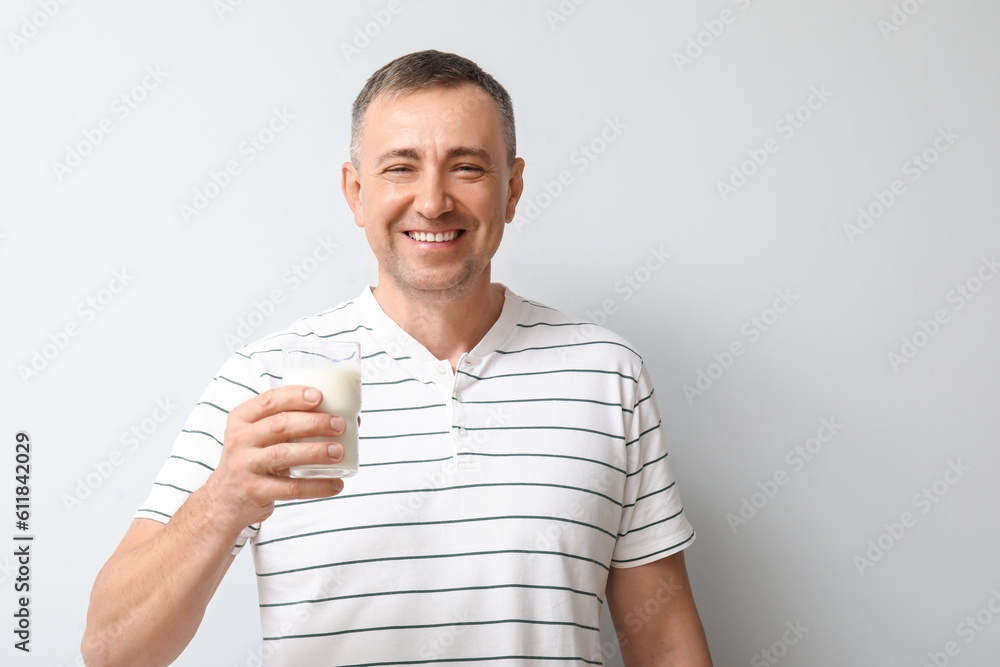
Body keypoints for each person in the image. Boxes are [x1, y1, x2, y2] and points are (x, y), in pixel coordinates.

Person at [82, 50, 713, 666]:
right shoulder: (267, 379)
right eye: (400, 168)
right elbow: (111, 652)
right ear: (355, 193)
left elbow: (662, 638)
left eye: (466, 167)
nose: (433, 201)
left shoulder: (605, 372)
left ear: (513, 189)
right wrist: (225, 500)